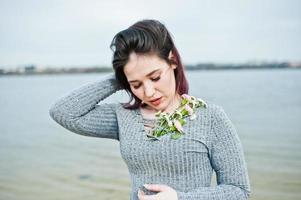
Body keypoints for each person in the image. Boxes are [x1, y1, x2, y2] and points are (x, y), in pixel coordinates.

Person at [49, 19, 251, 200]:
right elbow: (64, 112)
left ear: (172, 61)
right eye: (136, 85)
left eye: (155, 77)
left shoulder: (210, 117)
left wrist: (180, 198)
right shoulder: (123, 117)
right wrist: (120, 78)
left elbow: (238, 190)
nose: (149, 91)